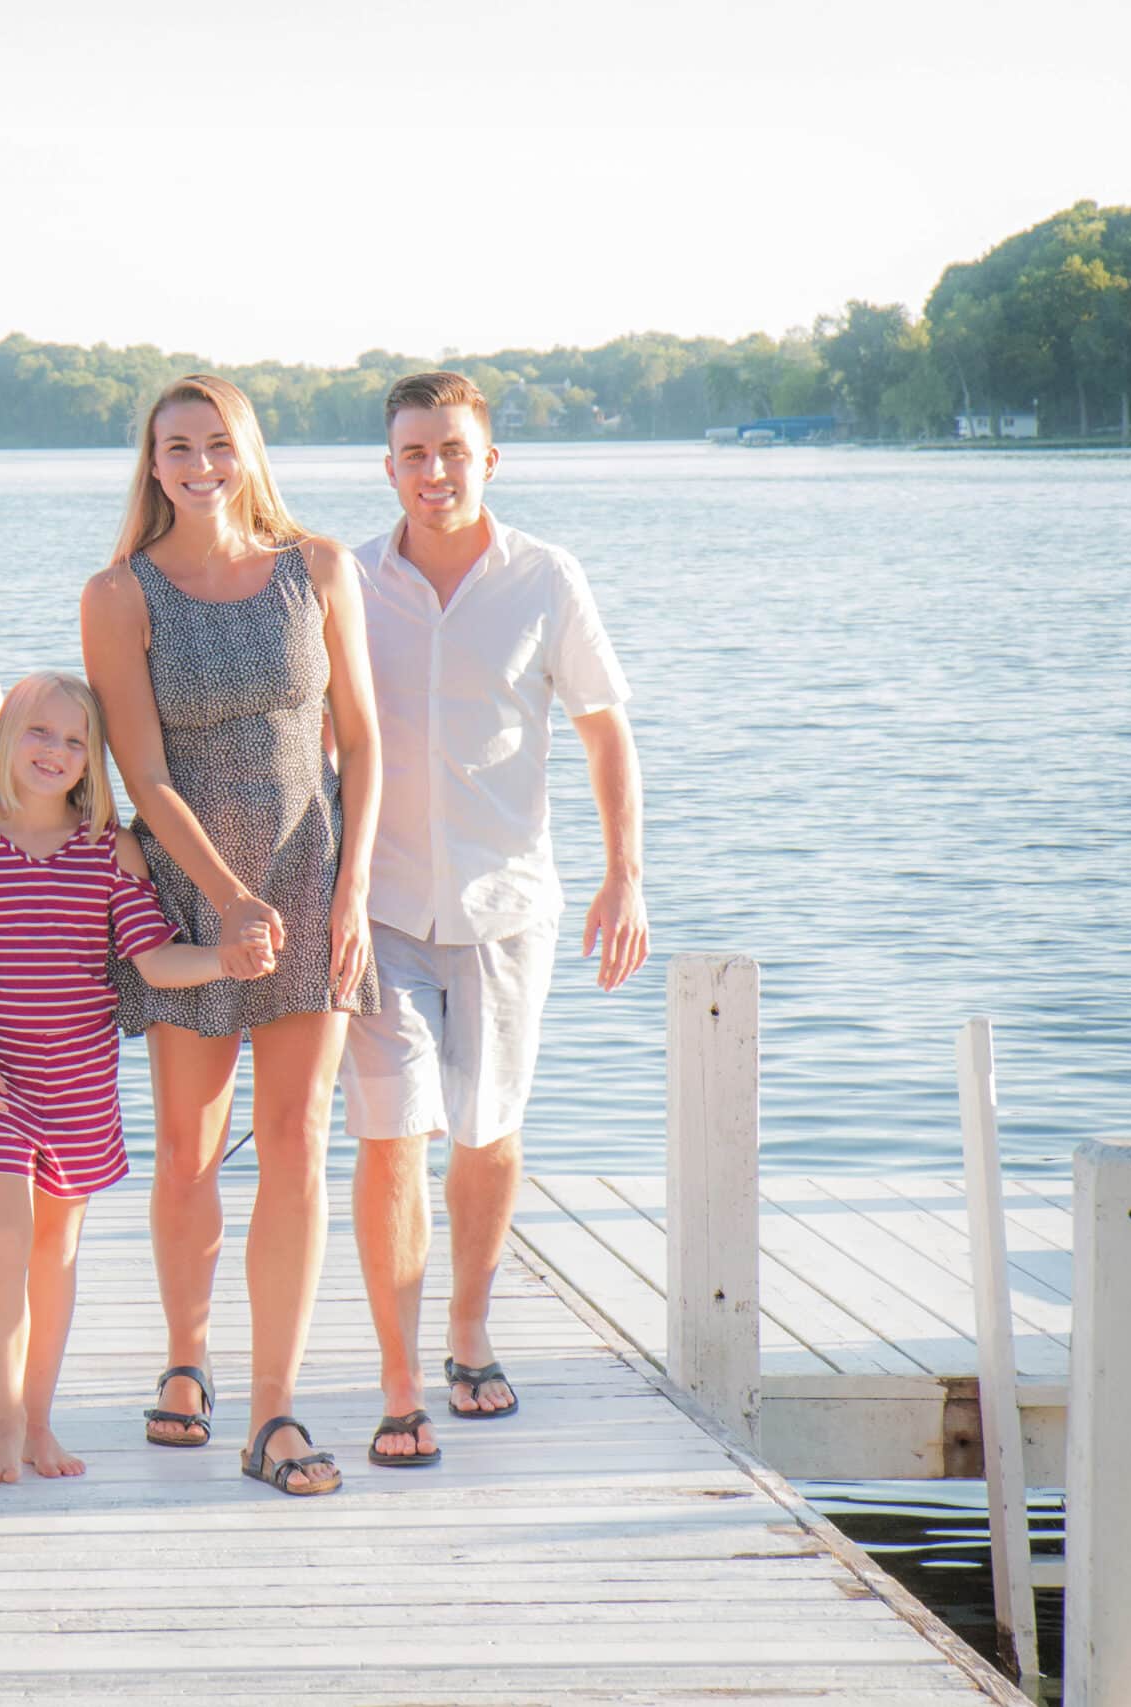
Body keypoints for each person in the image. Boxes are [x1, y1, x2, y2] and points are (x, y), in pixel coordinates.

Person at [79, 373, 380, 1498]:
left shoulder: (320, 568)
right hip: (189, 893)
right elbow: (140, 772)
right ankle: (185, 1360)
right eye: (175, 446)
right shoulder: (120, 594)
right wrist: (224, 896)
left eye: (216, 443)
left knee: (299, 1145)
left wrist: (349, 893)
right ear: (150, 464)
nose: (197, 463)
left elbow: (365, 743)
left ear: (247, 452)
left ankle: (274, 1412)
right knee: (188, 1152)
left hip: (312, 882)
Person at [345, 371, 647, 1469]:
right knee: (389, 1137)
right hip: (375, 908)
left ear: (489, 460)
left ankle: (467, 1327)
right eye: (413, 454)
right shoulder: (346, 582)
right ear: (388, 468)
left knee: (481, 1131)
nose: (433, 473)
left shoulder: (544, 580)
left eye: (452, 452)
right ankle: (395, 1376)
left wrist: (627, 877)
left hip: (506, 901)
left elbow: (604, 732)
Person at [0, 671, 242, 1484]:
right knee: (3, 1235)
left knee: (56, 1249)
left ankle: (38, 1422)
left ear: (92, 759)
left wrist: (225, 958)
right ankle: (0, 1420)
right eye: (38, 732)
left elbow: (152, 959)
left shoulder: (111, 849)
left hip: (80, 1085)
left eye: (74, 740)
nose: (55, 751)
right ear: (2, 741)